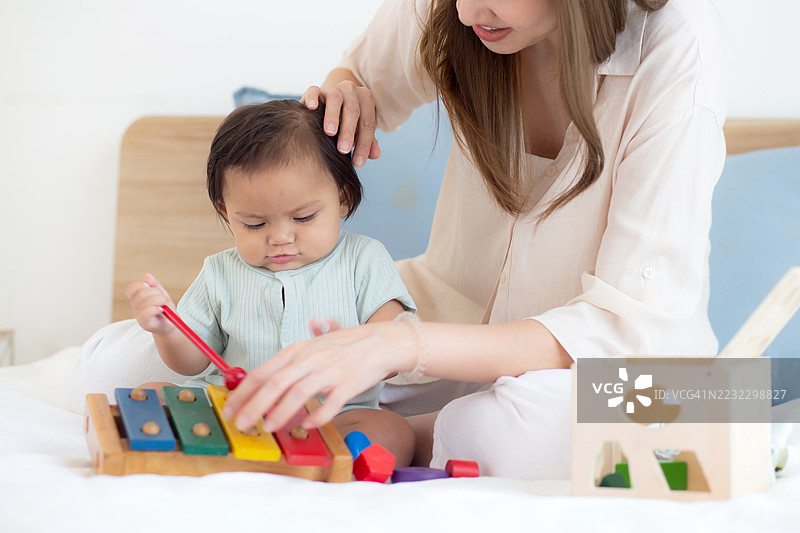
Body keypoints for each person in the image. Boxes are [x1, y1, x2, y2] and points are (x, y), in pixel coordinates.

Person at [222, 0, 726, 478]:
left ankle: (399, 434)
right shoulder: (460, 10)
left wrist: (404, 343)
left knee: (511, 430)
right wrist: (345, 95)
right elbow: (358, 76)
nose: (465, 12)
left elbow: (622, 327)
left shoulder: (676, 50)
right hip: (439, 321)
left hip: (625, 369)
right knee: (168, 353)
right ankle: (379, 428)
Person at [125, 99, 417, 465]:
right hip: (230, 409)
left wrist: (353, 348)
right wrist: (165, 329)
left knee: (393, 432)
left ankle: (320, 464)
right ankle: (216, 452)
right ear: (226, 212)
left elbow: (396, 345)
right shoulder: (219, 271)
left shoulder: (365, 258)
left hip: (328, 418)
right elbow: (190, 363)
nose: (280, 237)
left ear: (342, 199)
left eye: (304, 217)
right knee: (149, 394)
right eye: (255, 224)